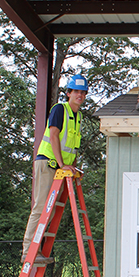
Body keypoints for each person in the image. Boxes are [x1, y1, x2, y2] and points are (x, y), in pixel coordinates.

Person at [22, 74, 87, 258]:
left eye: (82, 93)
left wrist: (73, 169)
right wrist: (62, 165)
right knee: (41, 207)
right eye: (76, 92)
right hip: (48, 163)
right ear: (68, 93)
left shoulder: (78, 116)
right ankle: (28, 251)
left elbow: (72, 147)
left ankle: (36, 249)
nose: (79, 96)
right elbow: (53, 136)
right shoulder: (60, 109)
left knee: (49, 210)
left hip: (60, 168)